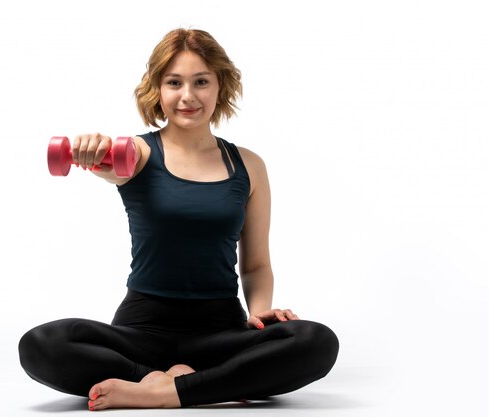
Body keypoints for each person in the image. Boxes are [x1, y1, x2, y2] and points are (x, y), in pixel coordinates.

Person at [19, 28, 339, 411]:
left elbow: (255, 264)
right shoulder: (135, 153)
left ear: (221, 86)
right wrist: (90, 152)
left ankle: (160, 392)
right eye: (174, 83)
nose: (188, 96)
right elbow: (110, 165)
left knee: (316, 341)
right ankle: (171, 380)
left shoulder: (249, 166)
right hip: (141, 331)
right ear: (158, 89)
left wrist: (259, 313)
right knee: (41, 344)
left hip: (220, 333)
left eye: (201, 82)